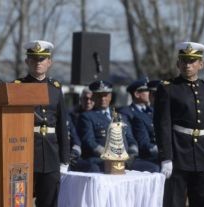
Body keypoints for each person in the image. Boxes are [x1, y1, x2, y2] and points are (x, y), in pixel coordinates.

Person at [154, 41, 204, 207]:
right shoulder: (168, 89)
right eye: (184, 61)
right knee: (174, 202)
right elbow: (163, 125)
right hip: (178, 155)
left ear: (201, 64)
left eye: (192, 61)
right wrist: (166, 157)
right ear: (178, 63)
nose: (187, 65)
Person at [14, 40, 70, 207]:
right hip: (24, 151)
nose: (37, 63)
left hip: (51, 155)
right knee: (18, 201)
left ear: (49, 62)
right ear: (27, 62)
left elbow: (62, 125)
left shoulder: (55, 88)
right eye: (33, 59)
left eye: (41, 59)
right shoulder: (18, 87)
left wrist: (64, 159)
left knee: (49, 202)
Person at [78, 80, 159, 173]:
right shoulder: (87, 117)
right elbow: (89, 142)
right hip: (101, 159)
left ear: (110, 97)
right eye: (99, 96)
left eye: (105, 95)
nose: (103, 99)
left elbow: (130, 138)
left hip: (125, 159)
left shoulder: (120, 116)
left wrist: (132, 153)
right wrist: (111, 155)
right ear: (93, 97)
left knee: (153, 168)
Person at [123, 80, 159, 167]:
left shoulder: (152, 111)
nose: (150, 93)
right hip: (143, 154)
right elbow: (131, 136)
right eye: (147, 91)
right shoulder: (126, 112)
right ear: (137, 94)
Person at [67, 88, 98, 172]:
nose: (88, 101)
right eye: (85, 98)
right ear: (80, 99)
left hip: (94, 153)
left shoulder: (99, 115)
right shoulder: (71, 114)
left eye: (91, 99)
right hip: (77, 153)